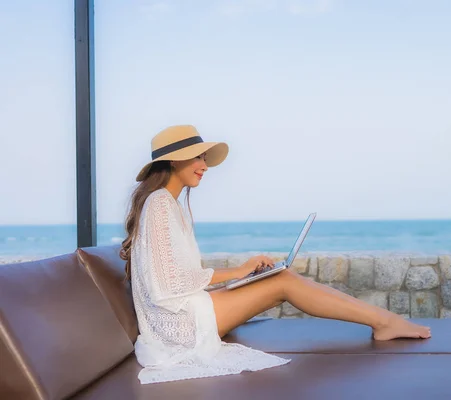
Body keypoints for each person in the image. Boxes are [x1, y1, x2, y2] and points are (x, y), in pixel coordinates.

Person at [120, 125, 431, 384]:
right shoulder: (160, 204)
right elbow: (168, 283)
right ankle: (385, 322)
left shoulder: (169, 204)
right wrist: (238, 272)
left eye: (203, 157)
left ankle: (385, 321)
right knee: (283, 282)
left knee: (281, 276)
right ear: (174, 161)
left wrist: (237, 277)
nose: (204, 165)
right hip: (178, 329)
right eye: (196, 158)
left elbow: (178, 275)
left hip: (186, 313)